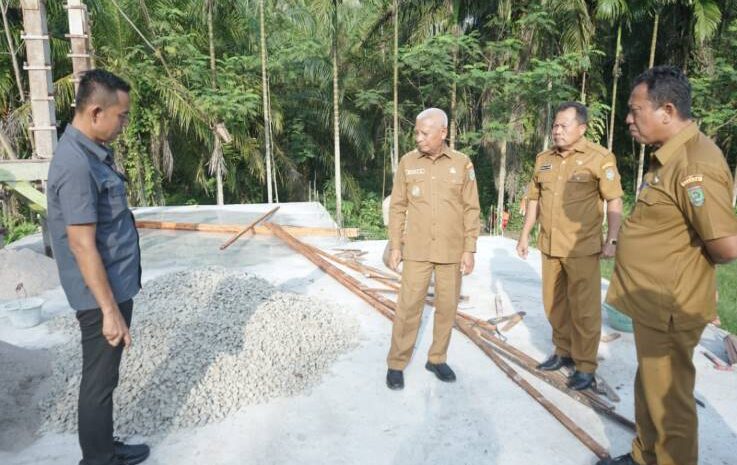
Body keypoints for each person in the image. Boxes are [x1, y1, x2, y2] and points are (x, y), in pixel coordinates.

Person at [600, 66, 737, 465]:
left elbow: (726, 245)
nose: (628, 118)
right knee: (651, 386)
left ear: (667, 110)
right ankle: (645, 455)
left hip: (672, 306)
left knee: (671, 402)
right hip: (654, 305)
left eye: (635, 109)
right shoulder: (671, 157)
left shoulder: (696, 164)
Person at [46, 69, 149, 465]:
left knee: (105, 378)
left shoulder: (89, 153)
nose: (123, 124)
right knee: (99, 381)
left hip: (112, 285)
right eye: (120, 116)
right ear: (95, 112)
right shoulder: (75, 165)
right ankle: (98, 459)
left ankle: (103, 448)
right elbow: (81, 244)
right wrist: (109, 311)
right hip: (98, 295)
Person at [516, 101, 624, 391]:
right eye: (555, 125)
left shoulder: (599, 158)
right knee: (554, 304)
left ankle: (586, 365)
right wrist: (525, 233)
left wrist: (612, 238)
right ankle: (562, 352)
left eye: (564, 125)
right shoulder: (544, 159)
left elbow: (614, 199)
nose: (557, 130)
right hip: (549, 245)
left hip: (581, 247)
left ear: (582, 128)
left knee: (585, 309)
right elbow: (535, 199)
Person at [385, 107, 480, 390]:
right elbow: (397, 207)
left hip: (451, 251)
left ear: (443, 133)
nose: (418, 138)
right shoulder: (407, 162)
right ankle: (396, 363)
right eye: (416, 132)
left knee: (447, 308)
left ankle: (436, 358)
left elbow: (471, 208)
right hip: (417, 250)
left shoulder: (462, 164)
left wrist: (470, 248)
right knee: (408, 307)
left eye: (424, 133)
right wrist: (395, 246)